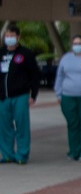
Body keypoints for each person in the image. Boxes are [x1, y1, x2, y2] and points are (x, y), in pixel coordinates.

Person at [1, 24, 42, 164]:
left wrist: (33, 94)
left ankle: (22, 154)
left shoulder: (26, 54)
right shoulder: (1, 53)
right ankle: (7, 154)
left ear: (18, 37)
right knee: (4, 126)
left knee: (22, 125)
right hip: (3, 97)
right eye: (7, 36)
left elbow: (35, 75)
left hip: (20, 95)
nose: (9, 38)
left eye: (12, 36)